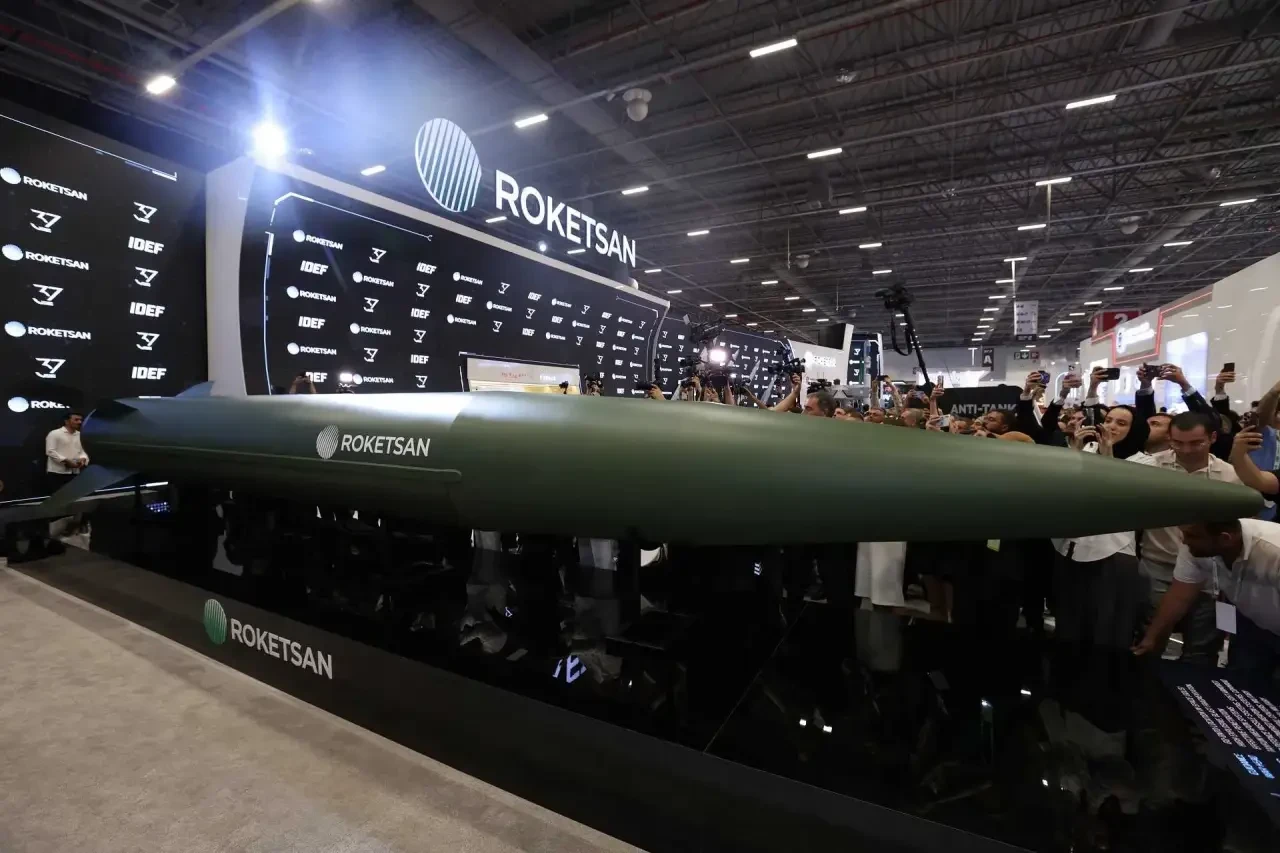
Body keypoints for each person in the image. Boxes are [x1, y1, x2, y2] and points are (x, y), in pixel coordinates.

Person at [1133, 411, 1242, 663]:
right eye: (1178, 443)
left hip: (1209, 572)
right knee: (1151, 638)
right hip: (1157, 565)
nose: (1186, 450)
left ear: (1212, 438)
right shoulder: (1148, 468)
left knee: (1202, 647)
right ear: (1169, 438)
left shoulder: (1230, 476)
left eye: (1196, 443)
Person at [1133, 519, 1280, 691]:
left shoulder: (1273, 552)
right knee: (1241, 685)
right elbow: (1179, 595)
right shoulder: (1198, 546)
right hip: (1252, 622)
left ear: (1224, 539)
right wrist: (1152, 638)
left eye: (1192, 536)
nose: (1184, 540)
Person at [45, 412, 88, 495]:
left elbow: (83, 450)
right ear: (67, 421)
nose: (80, 422)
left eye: (80, 420)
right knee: (58, 497)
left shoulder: (80, 435)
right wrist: (66, 461)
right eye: (76, 420)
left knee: (73, 495)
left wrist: (83, 459)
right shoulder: (55, 433)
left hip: (75, 472)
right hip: (57, 473)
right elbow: (50, 451)